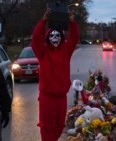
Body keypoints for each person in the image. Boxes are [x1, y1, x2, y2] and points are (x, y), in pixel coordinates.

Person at [31, 8, 80, 141]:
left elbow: (74, 39)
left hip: (61, 98)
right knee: (47, 128)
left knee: (59, 127)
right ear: (47, 37)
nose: (54, 38)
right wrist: (43, 21)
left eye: (57, 36)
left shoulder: (66, 51)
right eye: (51, 36)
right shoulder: (43, 52)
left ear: (61, 37)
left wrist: (72, 22)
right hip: (47, 98)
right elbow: (35, 39)